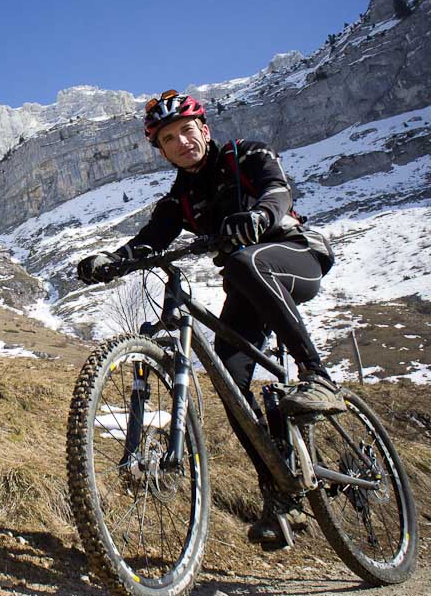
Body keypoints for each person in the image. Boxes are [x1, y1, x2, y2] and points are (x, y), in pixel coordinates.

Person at [76, 90, 343, 545]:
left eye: (186, 131)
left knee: (243, 262)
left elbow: (278, 191)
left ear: (205, 129)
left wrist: (259, 215)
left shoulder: (247, 154)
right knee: (229, 376)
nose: (181, 142)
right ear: (161, 151)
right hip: (248, 285)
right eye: (168, 139)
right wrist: (108, 260)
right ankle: (282, 496)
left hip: (295, 256)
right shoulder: (180, 199)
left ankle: (318, 376)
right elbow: (148, 240)